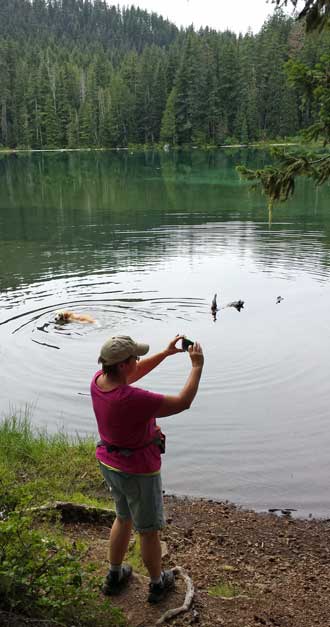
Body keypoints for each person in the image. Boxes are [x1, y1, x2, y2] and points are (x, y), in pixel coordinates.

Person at [90, 334, 204, 604]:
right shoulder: (132, 398)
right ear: (121, 365)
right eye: (135, 358)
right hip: (138, 470)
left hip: (110, 462)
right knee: (148, 530)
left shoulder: (98, 381)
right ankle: (156, 583)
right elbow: (183, 402)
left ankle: (115, 575)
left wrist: (165, 354)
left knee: (123, 516)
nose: (138, 361)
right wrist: (196, 367)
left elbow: (132, 374)